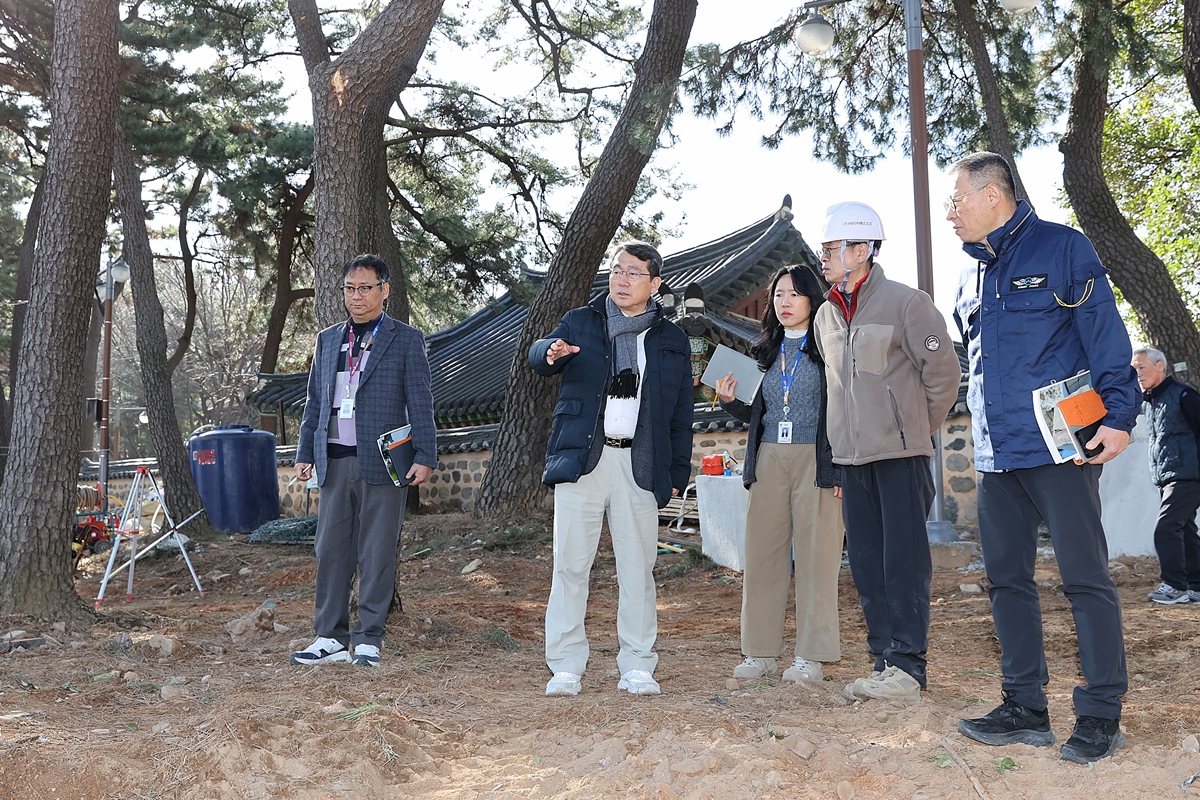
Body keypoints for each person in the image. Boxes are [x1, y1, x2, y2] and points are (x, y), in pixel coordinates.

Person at [946, 152, 1140, 764]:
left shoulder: (1063, 249)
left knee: (1084, 579)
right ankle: (1025, 708)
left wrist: (1118, 415)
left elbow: (1105, 334)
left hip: (1062, 446)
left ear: (993, 195)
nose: (951, 212)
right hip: (998, 453)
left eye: (958, 199)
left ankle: (1102, 713)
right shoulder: (968, 275)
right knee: (1007, 581)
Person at [530, 241, 694, 697]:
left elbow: (681, 412)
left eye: (633, 273)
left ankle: (638, 663)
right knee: (570, 565)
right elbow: (539, 355)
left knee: (638, 569)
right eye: (617, 270)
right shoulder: (582, 321)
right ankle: (565, 664)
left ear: (654, 284)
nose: (621, 279)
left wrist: (678, 472)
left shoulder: (671, 339)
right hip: (584, 461)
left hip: (640, 464)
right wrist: (550, 352)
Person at [812, 202, 961, 703]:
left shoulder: (907, 303)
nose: (825, 257)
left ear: (862, 250)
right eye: (825, 248)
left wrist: (914, 431)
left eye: (832, 248)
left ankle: (908, 666)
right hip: (852, 463)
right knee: (868, 566)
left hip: (901, 457)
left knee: (904, 563)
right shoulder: (825, 315)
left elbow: (943, 377)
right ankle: (883, 662)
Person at [290, 254, 437, 668]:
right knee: (330, 550)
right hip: (334, 461)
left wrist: (426, 455)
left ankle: (369, 638)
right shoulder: (328, 339)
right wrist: (305, 452)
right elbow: (315, 401)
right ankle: (329, 637)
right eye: (350, 288)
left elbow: (421, 401)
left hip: (384, 463)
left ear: (384, 291)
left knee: (377, 552)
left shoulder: (405, 339)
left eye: (365, 288)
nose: (356, 296)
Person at [715, 265, 844, 684]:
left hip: (816, 461)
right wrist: (731, 402)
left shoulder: (830, 350)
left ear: (812, 299)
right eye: (778, 295)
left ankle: (811, 656)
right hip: (769, 459)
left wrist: (841, 466)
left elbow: (844, 410)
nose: (784, 302)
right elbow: (760, 413)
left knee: (816, 558)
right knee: (762, 556)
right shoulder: (764, 353)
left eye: (794, 294)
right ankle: (760, 653)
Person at [1131, 347, 1200, 605]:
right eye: (1134, 368)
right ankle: (1196, 585)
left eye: (1142, 367)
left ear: (1160, 366)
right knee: (1185, 529)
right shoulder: (1150, 402)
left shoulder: (1184, 394)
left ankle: (1174, 586)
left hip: (1189, 475)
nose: (1137, 373)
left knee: (1167, 527)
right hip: (1169, 475)